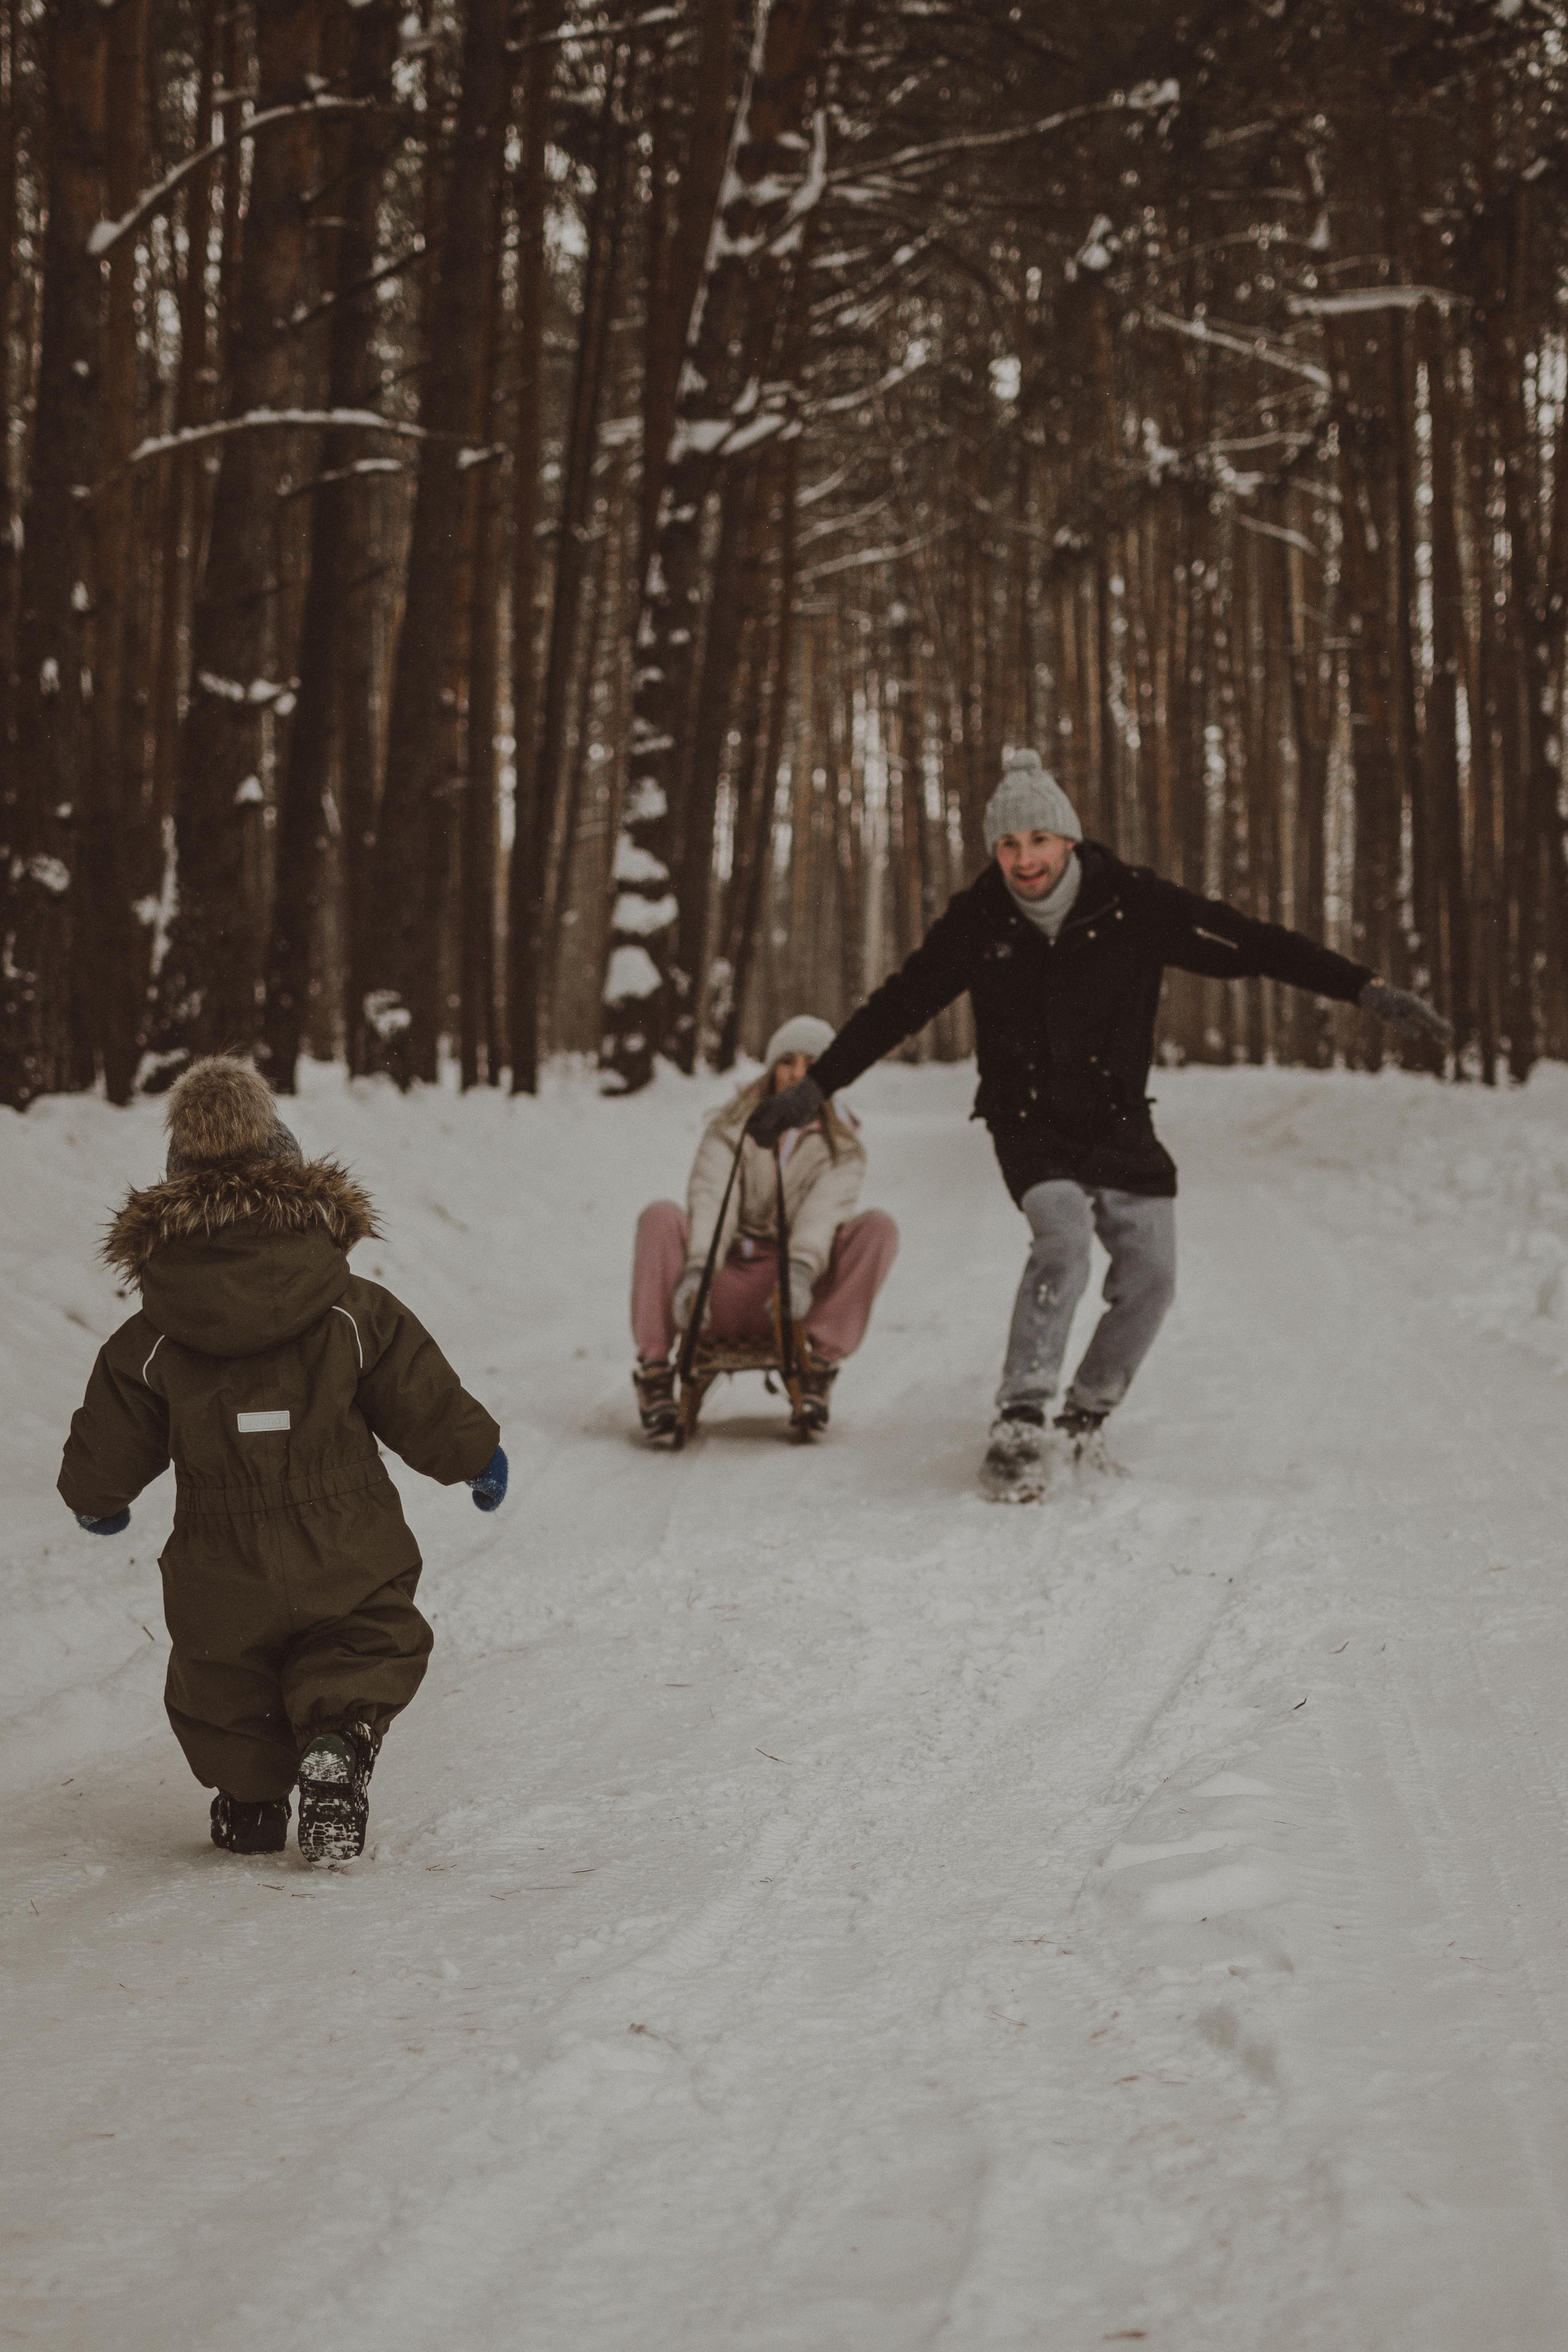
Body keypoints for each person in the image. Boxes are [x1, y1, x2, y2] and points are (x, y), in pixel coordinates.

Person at [748, 748, 1451, 1499]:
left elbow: (1252, 942)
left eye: (1038, 842)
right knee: (1062, 1240)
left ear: (1068, 841)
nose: (1024, 861)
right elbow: (898, 1004)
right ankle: (1021, 1417)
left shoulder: (1132, 904)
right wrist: (818, 1085)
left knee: (1151, 1276)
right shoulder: (979, 919)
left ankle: (1085, 1414)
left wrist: (1362, 988)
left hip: (1117, 1118)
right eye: (1008, 846)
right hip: (1027, 1121)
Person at [56, 1057, 507, 1863]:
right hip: (346, 1539)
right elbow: (419, 1393)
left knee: (222, 1674)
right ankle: (337, 1743)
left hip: (218, 1554)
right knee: (366, 1634)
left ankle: (252, 1798)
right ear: (294, 1179)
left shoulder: (154, 1336)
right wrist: (476, 1457)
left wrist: (98, 1496)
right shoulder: (352, 1312)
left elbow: (114, 1424)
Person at [630, 1016, 899, 1439]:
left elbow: (823, 1213)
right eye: (787, 1062)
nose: (797, 1074)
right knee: (660, 1217)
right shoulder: (731, 1126)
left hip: (792, 1299)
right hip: (716, 1291)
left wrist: (800, 1273)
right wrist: (698, 1271)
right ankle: (655, 1372)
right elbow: (712, 1195)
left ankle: (819, 1368)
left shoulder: (843, 1148)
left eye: (812, 1064)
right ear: (770, 1068)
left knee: (877, 1228)